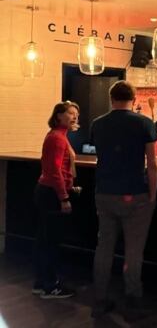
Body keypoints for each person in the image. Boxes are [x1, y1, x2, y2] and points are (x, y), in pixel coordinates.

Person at [90, 81, 157, 318]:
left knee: (104, 248)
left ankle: (99, 300)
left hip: (104, 192)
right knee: (133, 250)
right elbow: (153, 164)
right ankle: (132, 300)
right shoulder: (144, 123)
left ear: (111, 98)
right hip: (134, 194)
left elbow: (102, 156)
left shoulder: (97, 124)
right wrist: (152, 195)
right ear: (135, 98)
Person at [34, 101, 81, 299]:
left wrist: (70, 186)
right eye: (70, 113)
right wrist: (64, 197)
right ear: (59, 115)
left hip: (47, 191)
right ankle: (50, 286)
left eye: (76, 115)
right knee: (51, 241)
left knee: (46, 240)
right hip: (51, 194)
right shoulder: (58, 138)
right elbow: (54, 171)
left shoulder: (58, 135)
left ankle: (42, 282)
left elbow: (59, 169)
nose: (74, 117)